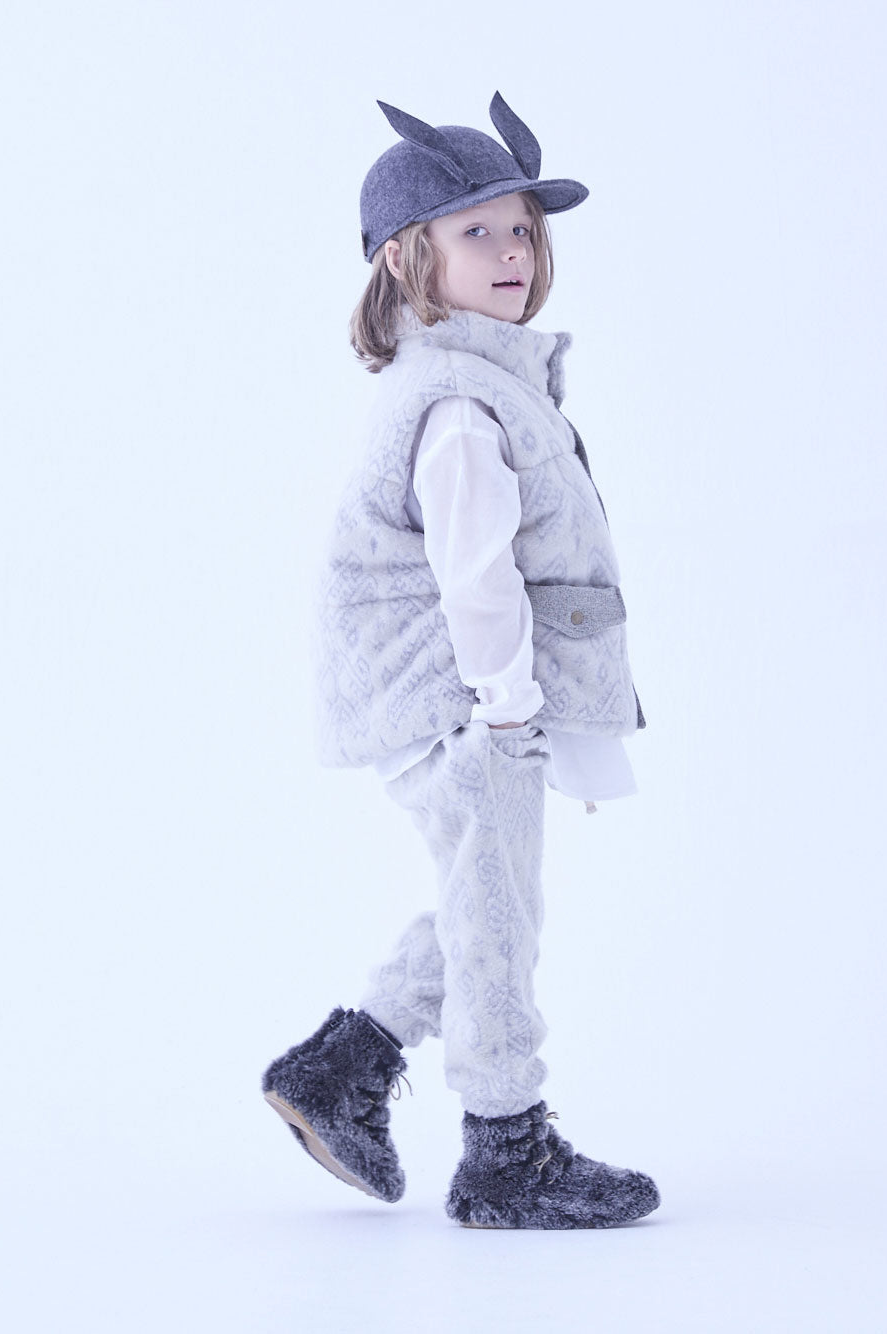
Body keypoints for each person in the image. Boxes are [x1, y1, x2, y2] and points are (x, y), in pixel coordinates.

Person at [262, 92, 660, 1230]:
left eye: (521, 228)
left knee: (489, 896)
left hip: (466, 699)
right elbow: (475, 573)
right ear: (405, 257)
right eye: (475, 230)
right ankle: (505, 1149)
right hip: (464, 700)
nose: (510, 250)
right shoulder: (456, 404)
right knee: (496, 921)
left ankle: (342, 1064)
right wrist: (506, 705)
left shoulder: (487, 380)